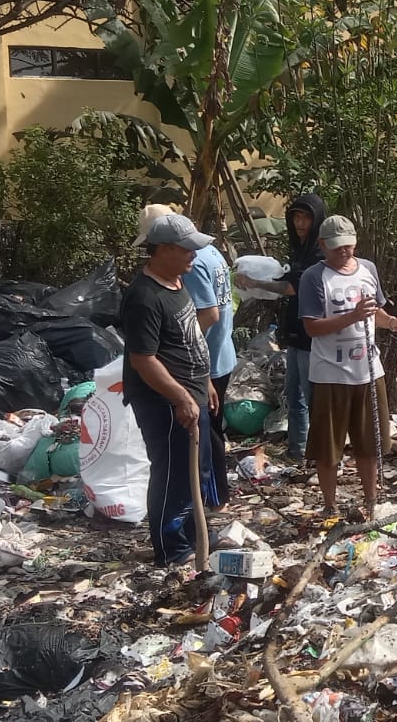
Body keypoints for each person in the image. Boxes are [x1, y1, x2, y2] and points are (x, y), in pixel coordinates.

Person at [122, 214, 220, 567]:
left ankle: (197, 536)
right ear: (163, 250)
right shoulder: (144, 297)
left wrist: (204, 380)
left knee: (199, 468)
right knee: (173, 472)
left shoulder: (179, 284)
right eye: (187, 249)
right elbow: (143, 359)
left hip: (192, 392)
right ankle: (171, 547)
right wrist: (180, 397)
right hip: (163, 400)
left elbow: (189, 337)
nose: (194, 256)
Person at [299, 215, 397, 518]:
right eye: (336, 247)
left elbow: (375, 311)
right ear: (322, 245)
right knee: (329, 446)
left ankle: (371, 500)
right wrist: (352, 316)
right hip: (330, 373)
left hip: (368, 369)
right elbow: (312, 327)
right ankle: (329, 504)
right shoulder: (313, 277)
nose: (344, 252)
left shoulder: (368, 270)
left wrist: (393, 323)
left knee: (370, 441)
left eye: (348, 245)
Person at [235, 193, 328, 459]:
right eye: (296, 217)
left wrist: (256, 283)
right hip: (295, 335)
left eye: (306, 218)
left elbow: (292, 287)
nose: (300, 223)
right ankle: (299, 451)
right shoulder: (299, 248)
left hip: (312, 336)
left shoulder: (318, 252)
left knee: (312, 399)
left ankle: (322, 454)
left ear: (317, 220)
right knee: (294, 396)